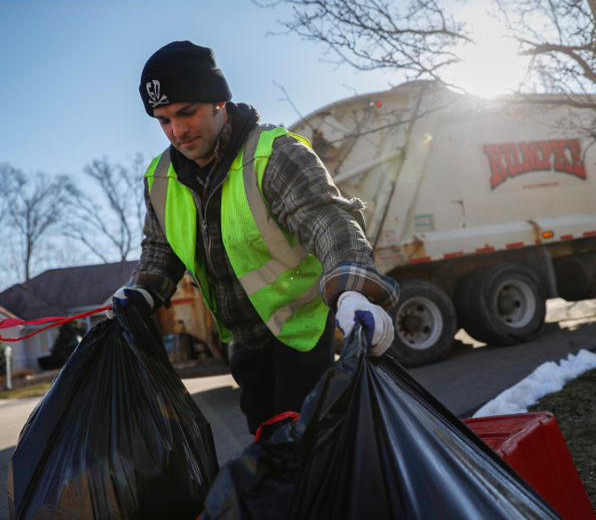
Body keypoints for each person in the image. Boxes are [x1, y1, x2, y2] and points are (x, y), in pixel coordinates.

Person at [111, 40, 399, 435]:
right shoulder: (159, 179)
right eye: (163, 120)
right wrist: (139, 293)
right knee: (267, 442)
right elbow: (160, 251)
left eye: (186, 112)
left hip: (301, 330)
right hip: (243, 338)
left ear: (218, 101)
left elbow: (326, 220)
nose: (177, 131)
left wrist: (352, 291)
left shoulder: (273, 153)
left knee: (309, 443)